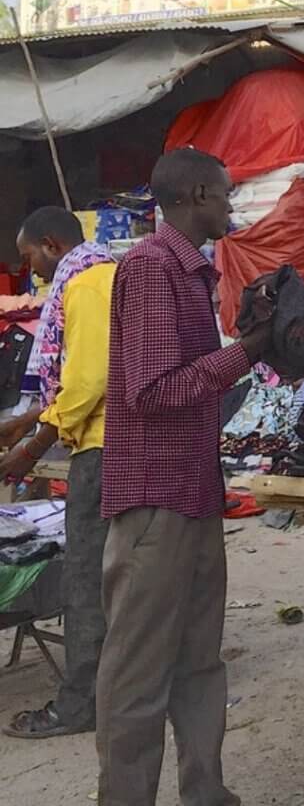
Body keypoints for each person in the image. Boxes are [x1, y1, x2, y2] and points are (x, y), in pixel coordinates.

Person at [95, 149, 273, 806]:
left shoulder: (194, 273)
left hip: (194, 494)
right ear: (197, 193)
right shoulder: (150, 268)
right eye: (226, 195)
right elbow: (150, 391)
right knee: (138, 674)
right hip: (154, 501)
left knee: (200, 662)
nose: (232, 205)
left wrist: (246, 342)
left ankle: (206, 792)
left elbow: (194, 381)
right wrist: (245, 353)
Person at [1, 208, 115, 740]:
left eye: (31, 259)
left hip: (100, 445)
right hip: (111, 441)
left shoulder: (87, 283)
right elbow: (79, 376)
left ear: (50, 244)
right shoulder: (102, 273)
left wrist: (34, 446)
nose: (34, 272)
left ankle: (80, 705)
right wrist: (27, 421)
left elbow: (90, 380)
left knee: (84, 578)